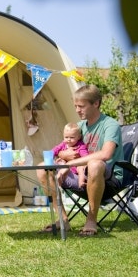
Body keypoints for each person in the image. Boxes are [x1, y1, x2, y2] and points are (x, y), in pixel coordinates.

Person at [37, 84, 123, 237]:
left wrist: (70, 163)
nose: (77, 110)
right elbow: (63, 149)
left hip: (108, 180)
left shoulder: (110, 125)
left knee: (95, 164)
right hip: (81, 177)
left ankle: (91, 220)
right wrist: (63, 156)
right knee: (42, 167)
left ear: (95, 103)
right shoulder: (79, 126)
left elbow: (106, 154)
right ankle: (62, 219)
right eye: (75, 106)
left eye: (81, 106)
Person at [51, 122, 90, 188]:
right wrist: (49, 155)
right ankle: (60, 175)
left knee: (81, 168)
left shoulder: (80, 146)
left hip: (76, 168)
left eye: (72, 137)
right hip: (65, 166)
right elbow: (55, 149)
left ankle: (81, 182)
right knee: (59, 162)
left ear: (79, 137)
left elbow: (85, 157)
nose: (68, 139)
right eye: (66, 137)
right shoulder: (63, 144)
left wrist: (82, 162)